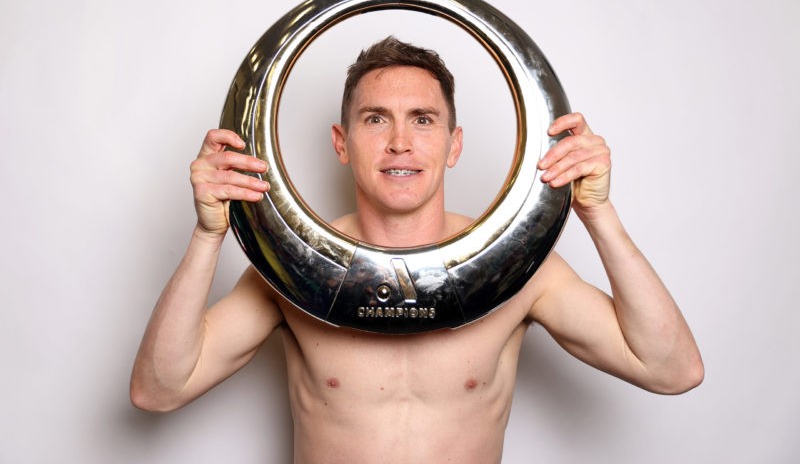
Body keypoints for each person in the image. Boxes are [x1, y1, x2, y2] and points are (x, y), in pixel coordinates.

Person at [131, 36, 703, 464]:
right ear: (342, 143)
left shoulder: (513, 267)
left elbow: (671, 369)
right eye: (375, 119)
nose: (400, 142)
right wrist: (209, 233)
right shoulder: (297, 270)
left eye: (423, 120)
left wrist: (598, 213)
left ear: (454, 146)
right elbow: (159, 391)